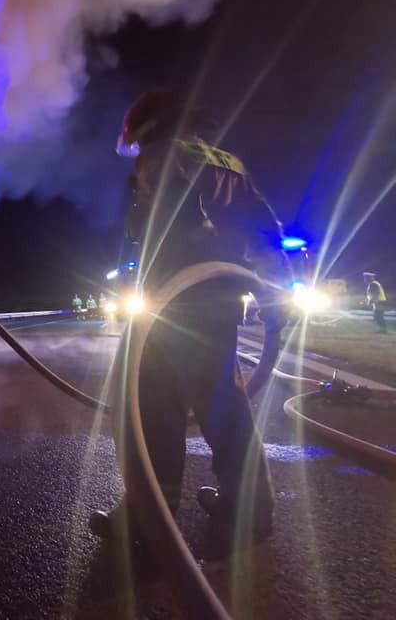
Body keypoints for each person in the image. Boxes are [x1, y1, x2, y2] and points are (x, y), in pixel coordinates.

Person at [91, 89, 287, 550]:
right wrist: (276, 288)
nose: (137, 151)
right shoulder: (229, 161)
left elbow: (160, 223)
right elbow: (267, 228)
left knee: (149, 410)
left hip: (173, 303)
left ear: (147, 126)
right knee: (225, 409)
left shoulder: (161, 155)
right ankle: (251, 509)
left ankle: (149, 521)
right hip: (221, 302)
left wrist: (150, 229)